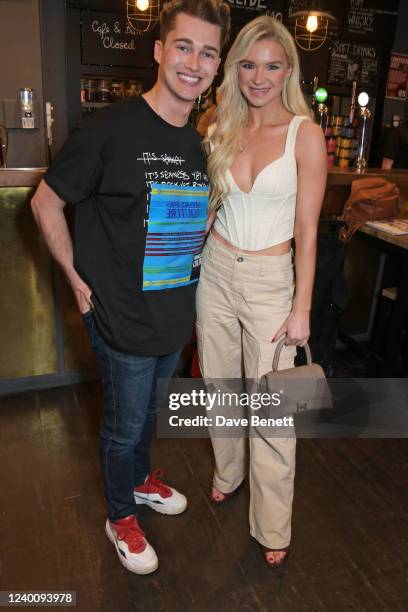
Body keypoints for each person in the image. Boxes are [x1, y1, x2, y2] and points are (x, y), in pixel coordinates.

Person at [31, 0, 230, 575]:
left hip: (173, 317)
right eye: (184, 46)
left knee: (147, 417)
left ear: (217, 65)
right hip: (119, 317)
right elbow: (46, 201)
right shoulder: (110, 129)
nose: (195, 62)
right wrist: (72, 277)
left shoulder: (200, 144)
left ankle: (140, 482)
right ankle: (120, 513)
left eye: (208, 52)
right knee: (122, 427)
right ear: (160, 50)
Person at [196, 15, 327, 568]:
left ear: (289, 71)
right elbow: (206, 208)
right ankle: (229, 470)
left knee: (273, 410)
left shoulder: (306, 133)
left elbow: (308, 230)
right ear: (235, 68)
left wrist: (302, 307)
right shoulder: (218, 126)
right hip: (216, 271)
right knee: (220, 385)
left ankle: (272, 524)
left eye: (272, 65)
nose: (259, 76)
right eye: (248, 64)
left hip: (272, 281)